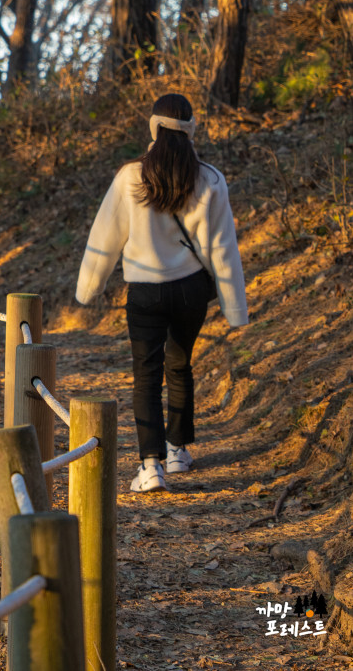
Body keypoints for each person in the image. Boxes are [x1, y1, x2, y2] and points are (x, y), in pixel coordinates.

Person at [75, 92, 248, 492]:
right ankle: (178, 451)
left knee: (146, 376)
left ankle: (150, 466)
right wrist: (235, 308)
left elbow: (104, 238)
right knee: (180, 365)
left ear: (153, 127)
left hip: (145, 293)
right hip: (191, 291)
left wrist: (88, 289)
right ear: (191, 129)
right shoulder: (210, 179)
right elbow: (223, 249)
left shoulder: (130, 176)